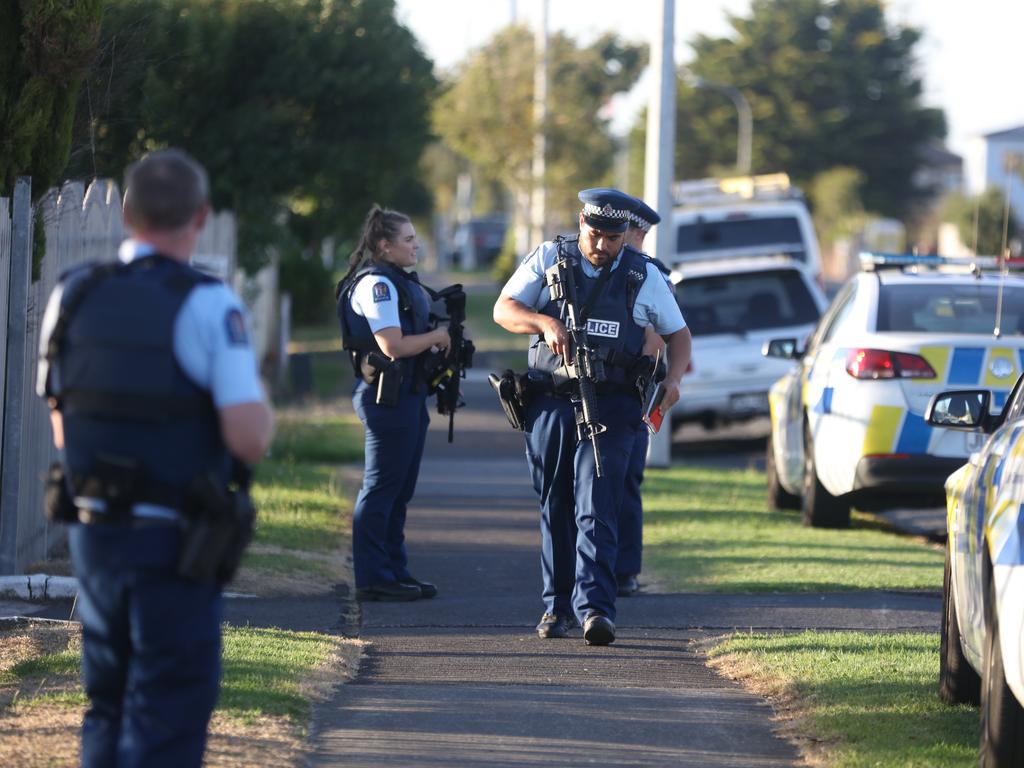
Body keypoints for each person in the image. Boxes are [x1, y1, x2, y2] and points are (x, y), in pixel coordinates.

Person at [36, 149, 273, 767]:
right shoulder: (207, 303)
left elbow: (61, 416)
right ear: (200, 217)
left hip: (92, 530)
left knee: (107, 701)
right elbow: (248, 437)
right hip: (173, 537)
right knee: (166, 707)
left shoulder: (74, 292)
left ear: (125, 212)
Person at [493, 188, 692, 645]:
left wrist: (675, 380)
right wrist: (544, 323)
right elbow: (504, 308)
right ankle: (556, 608)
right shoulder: (548, 258)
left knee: (597, 505)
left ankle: (596, 610)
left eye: (613, 238)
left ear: (627, 235)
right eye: (595, 233)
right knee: (556, 504)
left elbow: (678, 335)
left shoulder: (643, 275)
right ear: (581, 221)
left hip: (614, 403)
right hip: (551, 400)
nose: (602, 245)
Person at [336, 205, 451, 602]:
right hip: (386, 397)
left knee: (399, 490)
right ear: (384, 245)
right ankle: (373, 576)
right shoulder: (376, 285)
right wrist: (437, 338)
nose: (415, 245)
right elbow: (392, 344)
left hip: (406, 395)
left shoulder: (396, 279)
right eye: (408, 239)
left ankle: (395, 571)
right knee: (382, 488)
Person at [616, 196, 674, 597]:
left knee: (625, 483)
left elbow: (655, 340)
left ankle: (623, 570)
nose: (637, 238)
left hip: (630, 391)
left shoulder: (649, 275)